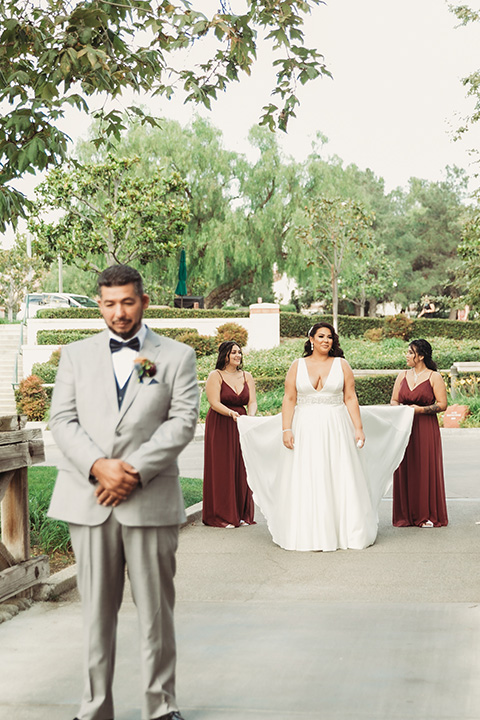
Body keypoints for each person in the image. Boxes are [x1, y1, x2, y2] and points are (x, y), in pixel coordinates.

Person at [48, 264, 198, 720]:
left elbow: (183, 421)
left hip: (148, 498)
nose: (119, 312)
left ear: (144, 302)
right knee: (95, 613)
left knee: (155, 612)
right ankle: (94, 708)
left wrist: (129, 471)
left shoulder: (176, 356)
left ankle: (160, 706)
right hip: (88, 499)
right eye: (110, 303)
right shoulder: (74, 355)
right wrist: (99, 467)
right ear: (99, 303)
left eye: (128, 302)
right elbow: (62, 421)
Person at [237, 323, 414, 552]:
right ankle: (309, 532)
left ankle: (344, 532)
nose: (325, 340)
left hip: (336, 426)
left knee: (338, 475)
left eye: (329, 337)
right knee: (308, 475)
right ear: (311, 338)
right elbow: (289, 399)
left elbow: (350, 397)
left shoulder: (342, 365)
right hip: (305, 427)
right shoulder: (297, 366)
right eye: (320, 336)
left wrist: (358, 428)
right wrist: (286, 429)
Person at [391, 338, 448, 528]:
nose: (406, 356)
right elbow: (394, 400)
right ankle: (405, 515)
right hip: (404, 427)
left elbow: (442, 405)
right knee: (405, 466)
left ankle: (426, 514)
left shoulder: (434, 377)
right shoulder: (402, 375)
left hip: (425, 428)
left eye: (410, 352)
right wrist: (400, 411)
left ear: (421, 356)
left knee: (424, 467)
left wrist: (419, 410)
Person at [202, 340, 257, 528]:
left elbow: (252, 402)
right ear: (224, 354)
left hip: (241, 424)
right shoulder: (215, 375)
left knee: (242, 466)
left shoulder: (247, 376)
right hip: (220, 423)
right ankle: (221, 515)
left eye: (239, 353)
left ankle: (241, 513)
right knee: (222, 467)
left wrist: (250, 417)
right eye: (234, 352)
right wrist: (231, 413)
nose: (238, 355)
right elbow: (214, 402)